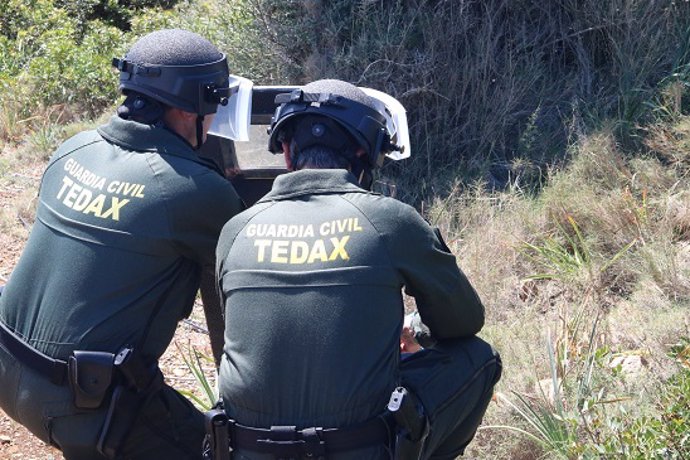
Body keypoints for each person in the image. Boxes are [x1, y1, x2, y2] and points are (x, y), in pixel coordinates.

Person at [213, 79, 501, 459]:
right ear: (366, 153)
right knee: (478, 357)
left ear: (285, 151)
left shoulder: (236, 229)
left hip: (247, 450)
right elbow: (463, 322)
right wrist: (412, 331)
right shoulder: (389, 220)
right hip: (359, 448)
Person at [0, 28, 244, 459]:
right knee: (223, 450)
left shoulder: (72, 149)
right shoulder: (192, 190)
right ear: (195, 107)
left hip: (11, 370)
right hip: (89, 407)